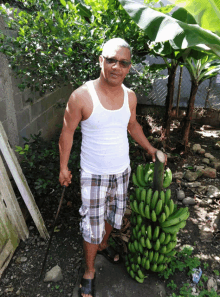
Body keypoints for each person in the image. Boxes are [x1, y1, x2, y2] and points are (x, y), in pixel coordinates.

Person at [59, 38, 158, 297]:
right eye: (111, 60)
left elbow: (132, 125)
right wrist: (63, 166)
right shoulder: (82, 95)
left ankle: (103, 244)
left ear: (129, 67)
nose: (117, 66)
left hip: (122, 171)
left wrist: (150, 148)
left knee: (115, 215)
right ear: (100, 60)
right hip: (93, 173)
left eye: (123, 62)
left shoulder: (130, 96)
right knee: (92, 224)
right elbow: (67, 133)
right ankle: (89, 271)